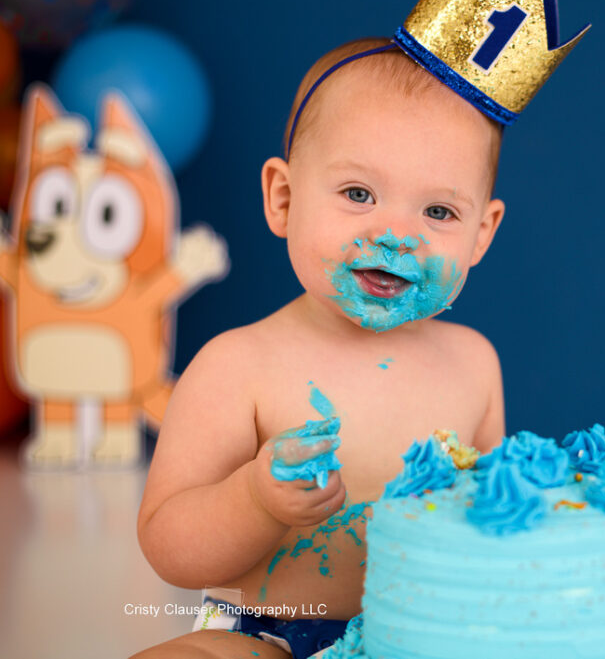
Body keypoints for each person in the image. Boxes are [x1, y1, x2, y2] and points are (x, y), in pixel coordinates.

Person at [132, 37, 507, 659]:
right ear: (283, 198)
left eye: (439, 211)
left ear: (481, 234)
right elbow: (168, 548)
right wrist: (256, 498)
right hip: (265, 633)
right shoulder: (239, 365)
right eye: (359, 194)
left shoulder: (474, 364)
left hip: (421, 639)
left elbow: (498, 522)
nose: (396, 235)